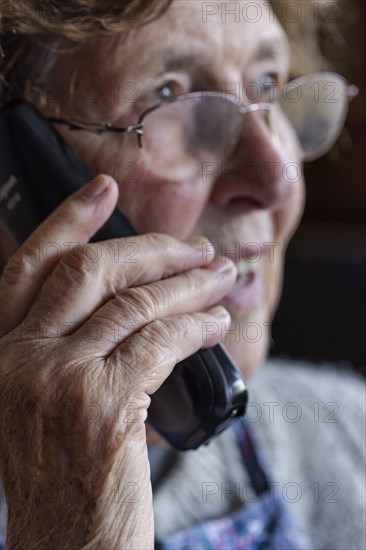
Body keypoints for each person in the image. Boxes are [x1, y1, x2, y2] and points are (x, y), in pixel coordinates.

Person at [0, 0, 365, 548]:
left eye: (268, 82)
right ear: (19, 177)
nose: (277, 178)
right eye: (169, 96)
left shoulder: (347, 430)